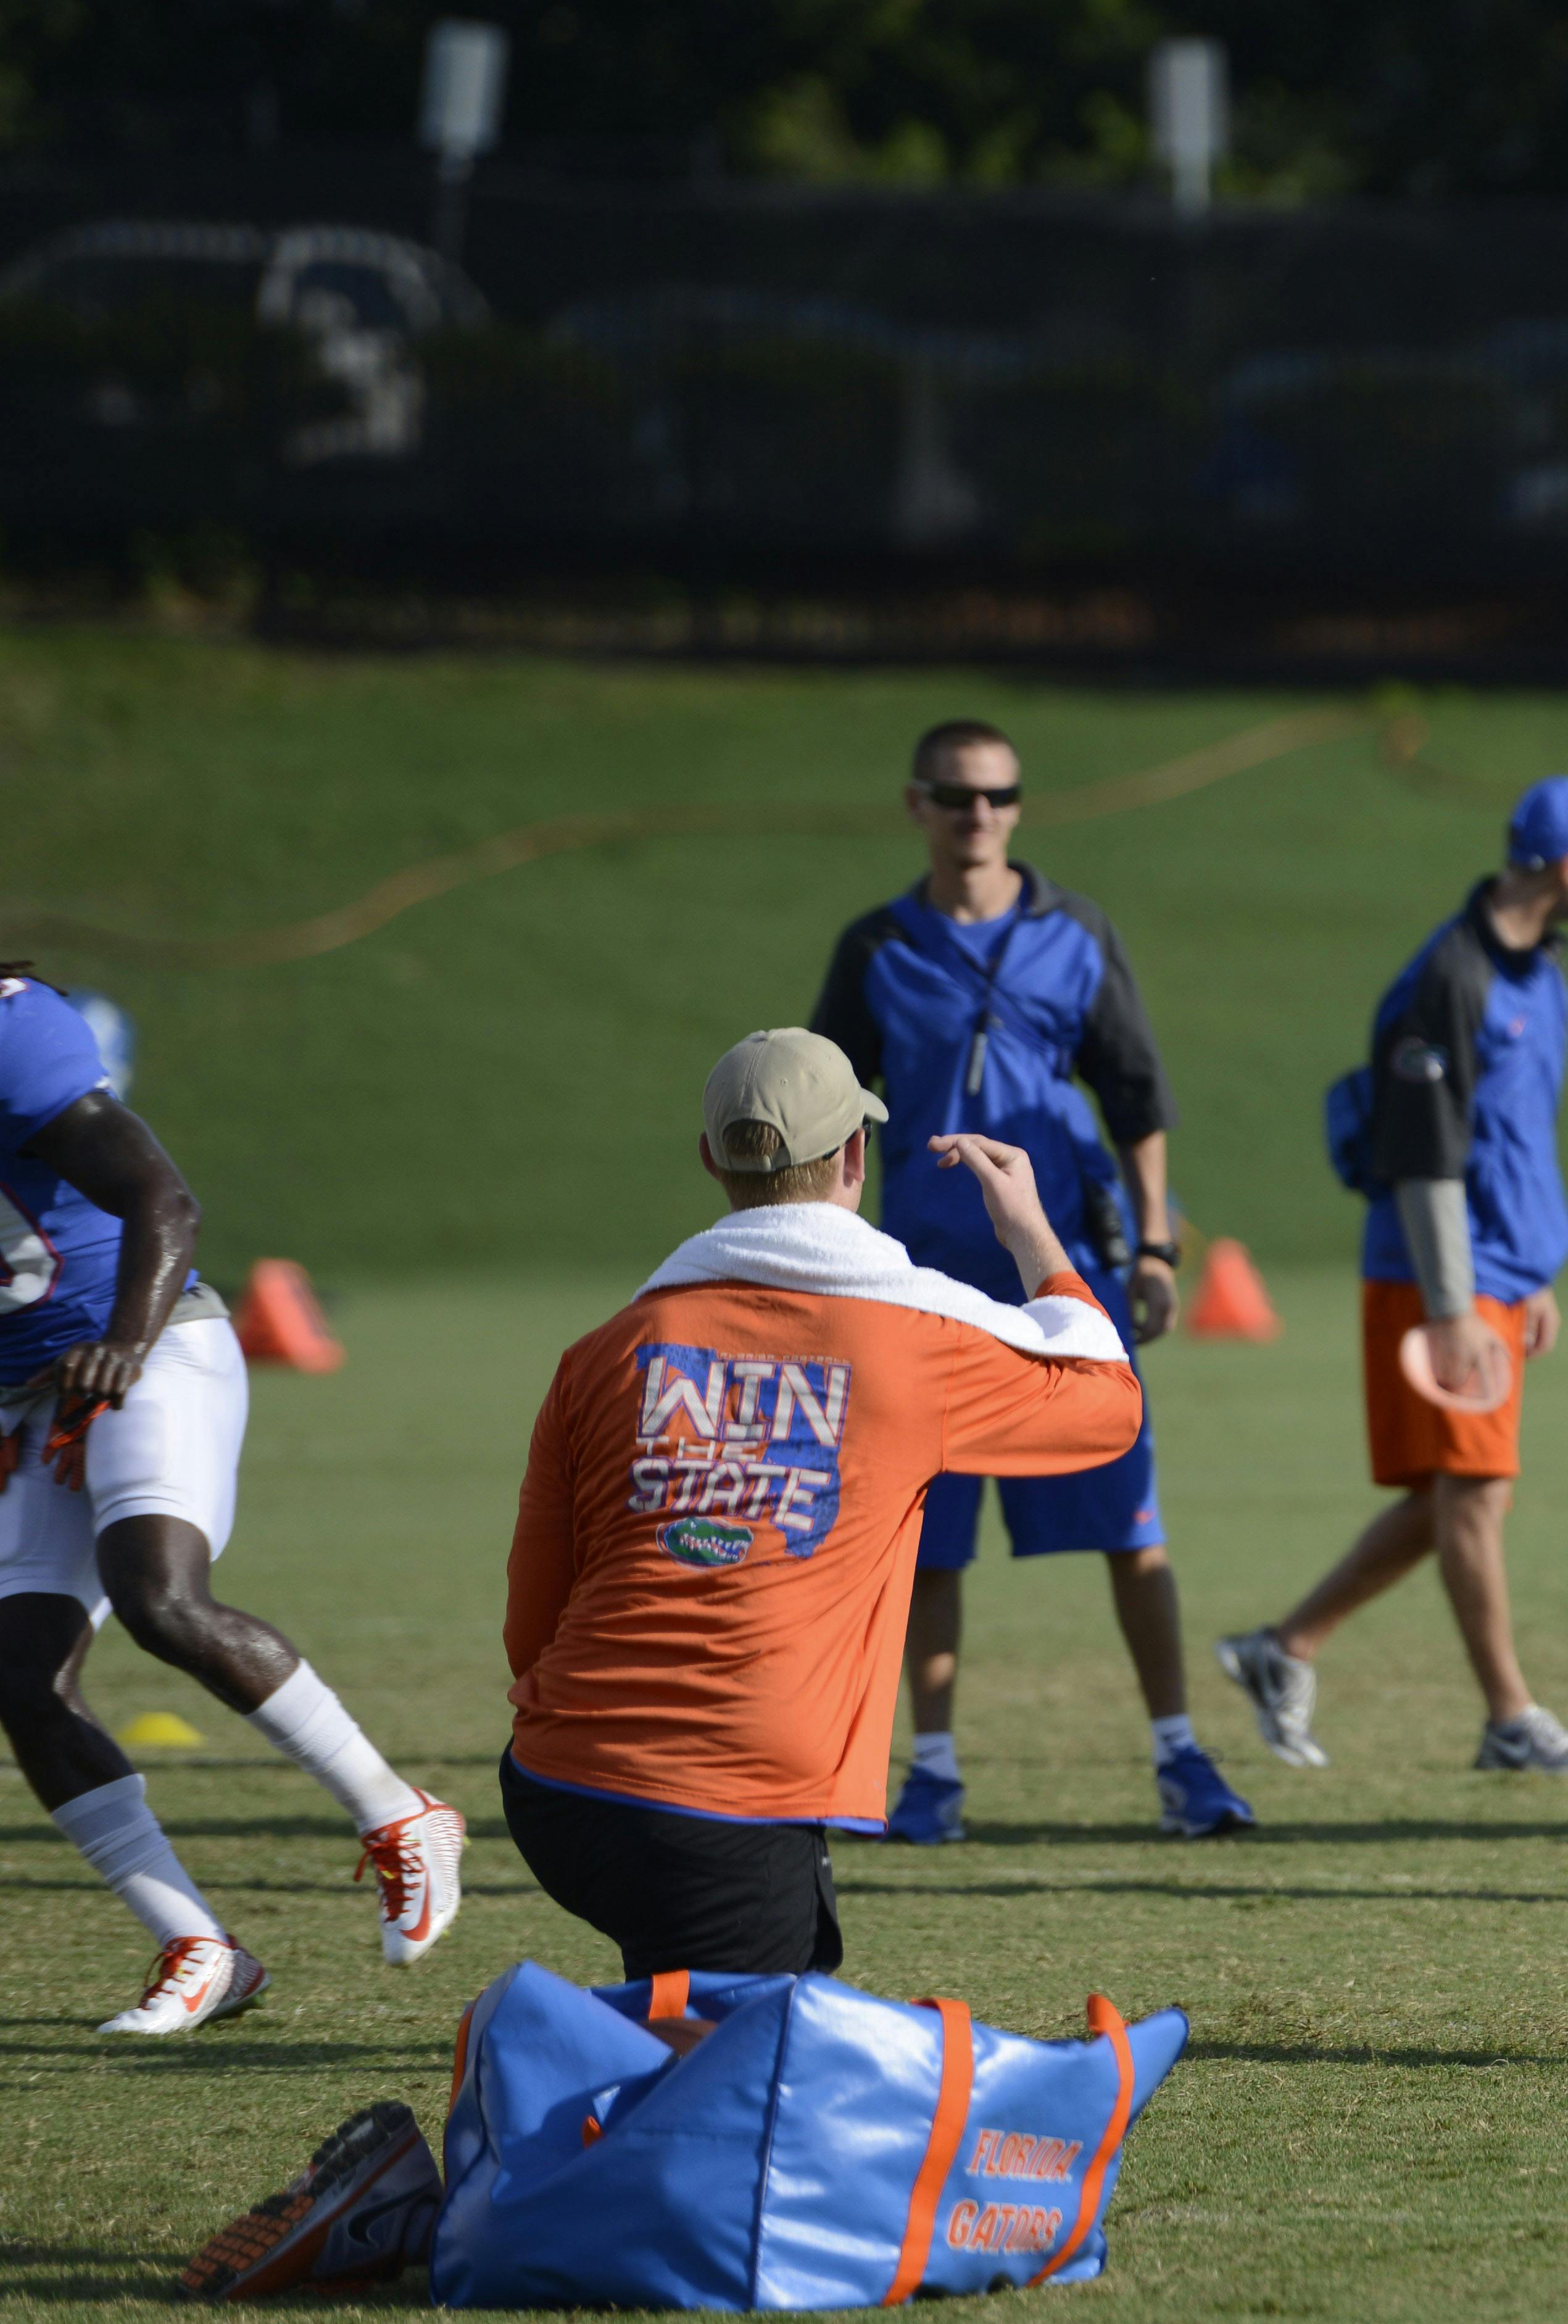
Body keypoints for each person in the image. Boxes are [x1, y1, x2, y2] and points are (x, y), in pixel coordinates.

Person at [502, 1033, 1139, 1975]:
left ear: (712, 1160)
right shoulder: (915, 1335)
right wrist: (1029, 1235)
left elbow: (531, 1621)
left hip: (554, 1786)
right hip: (732, 1795)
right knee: (752, 2078)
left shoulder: (604, 1351)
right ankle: (480, 2105)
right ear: (854, 1156)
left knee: (692, 2011)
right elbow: (1107, 1402)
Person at [0, 969, 465, 2035]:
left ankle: (402, 1817)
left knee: (160, 1597)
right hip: (26, 1395)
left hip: (148, 1341)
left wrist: (122, 1343)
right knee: (23, 1679)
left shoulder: (13, 1032)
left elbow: (165, 1199)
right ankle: (199, 1948)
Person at [810, 718, 1250, 1843]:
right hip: (919, 1284)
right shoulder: (877, 948)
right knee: (926, 1538)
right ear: (917, 805)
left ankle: (1182, 1762)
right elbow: (822, 1109)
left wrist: (1154, 1250)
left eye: (999, 796)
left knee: (1129, 1523)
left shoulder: (1075, 933)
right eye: (957, 798)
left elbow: (1138, 1100)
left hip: (1063, 1283)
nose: (981, 816)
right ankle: (934, 1777)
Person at [1213, 777, 1568, 1781]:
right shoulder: (1448, 979)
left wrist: (1531, 1268)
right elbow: (1423, 1156)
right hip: (1435, 1280)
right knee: (1471, 1494)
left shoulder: (1538, 972)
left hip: (1500, 1272)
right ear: (1566, 864)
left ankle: (1281, 1649)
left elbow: (1510, 1137)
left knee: (1463, 1499)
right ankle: (1511, 1719)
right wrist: (1457, 1304)